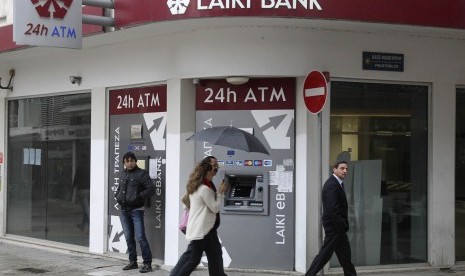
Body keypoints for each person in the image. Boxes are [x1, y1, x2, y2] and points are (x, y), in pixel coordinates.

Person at [170, 157, 228, 276]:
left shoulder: (200, 184)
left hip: (207, 227)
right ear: (207, 170)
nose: (216, 168)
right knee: (193, 258)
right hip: (202, 229)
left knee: (215, 255)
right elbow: (215, 207)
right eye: (214, 166)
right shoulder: (204, 187)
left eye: (217, 166)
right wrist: (221, 192)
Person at [306, 160, 357, 276]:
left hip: (338, 228)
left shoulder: (337, 183)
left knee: (345, 258)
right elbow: (332, 210)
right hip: (335, 228)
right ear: (334, 169)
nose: (345, 171)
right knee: (324, 256)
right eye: (342, 168)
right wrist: (341, 225)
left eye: (346, 169)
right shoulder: (331, 185)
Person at [115, 152, 155, 273]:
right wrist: (117, 195)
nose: (129, 163)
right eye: (127, 161)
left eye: (131, 161)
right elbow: (119, 189)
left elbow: (151, 189)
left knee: (140, 237)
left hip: (136, 210)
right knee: (128, 237)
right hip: (124, 209)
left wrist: (139, 196)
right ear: (124, 163)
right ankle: (133, 262)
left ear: (135, 161)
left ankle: (147, 263)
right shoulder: (122, 174)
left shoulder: (142, 174)